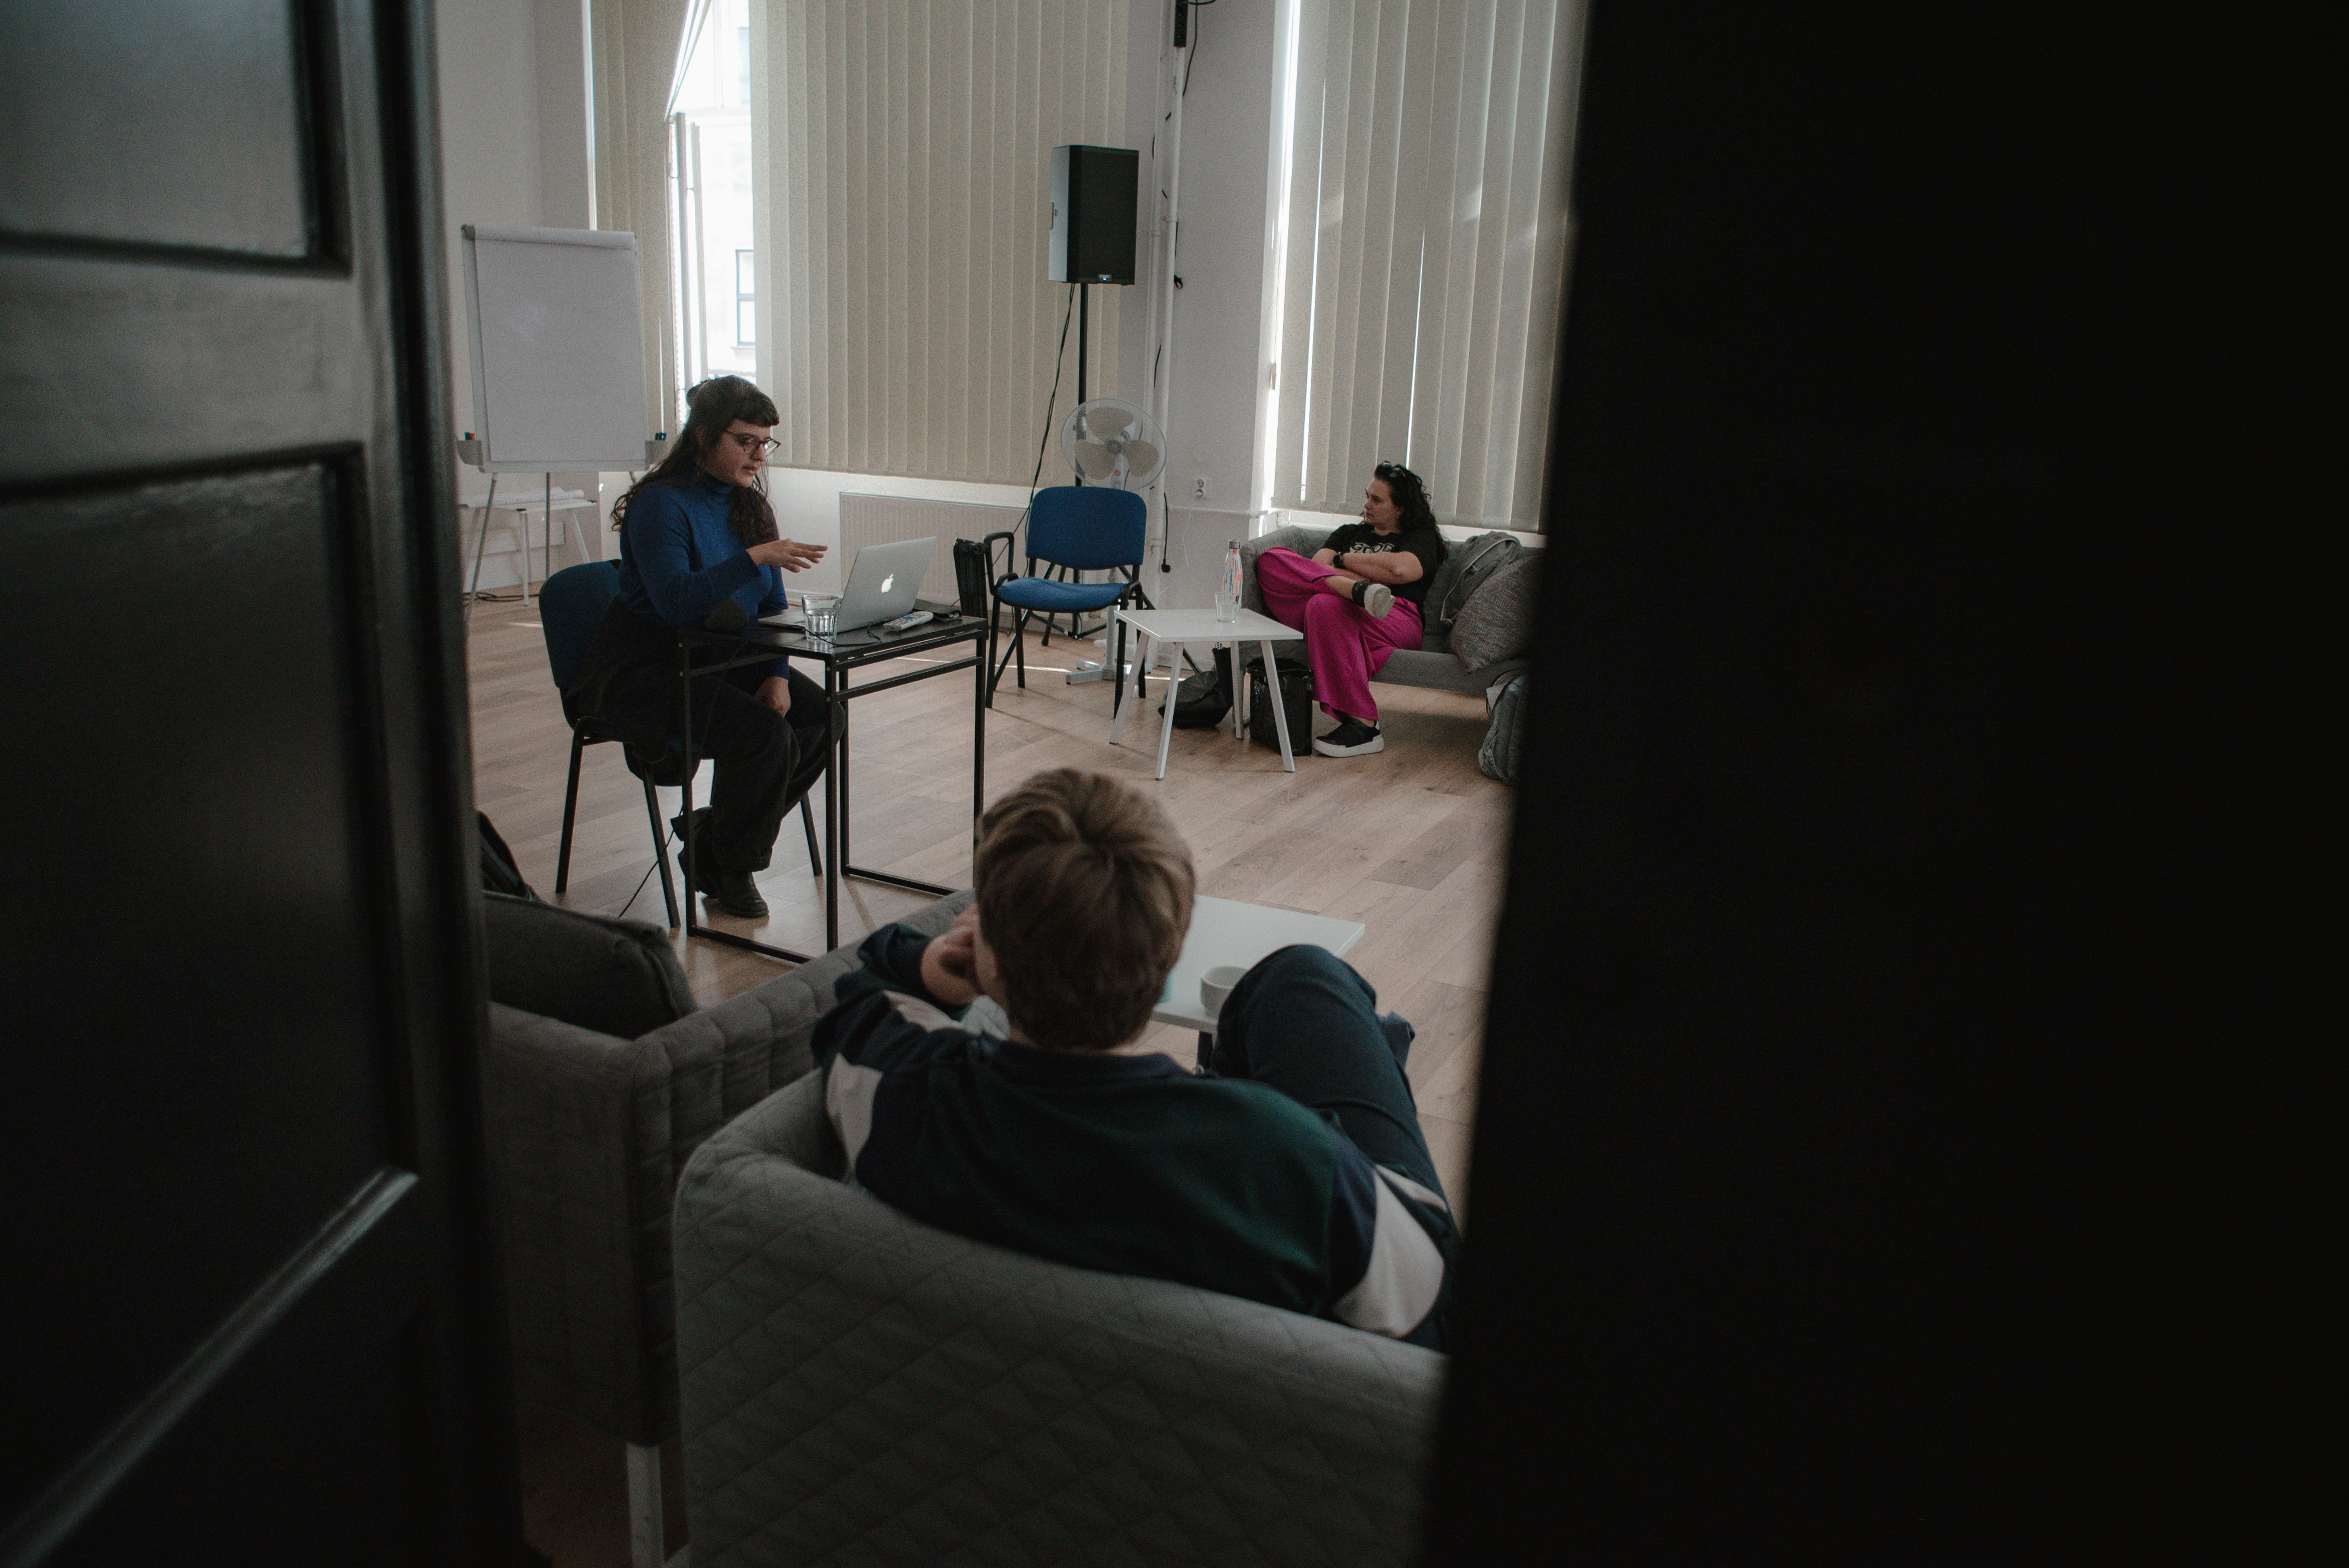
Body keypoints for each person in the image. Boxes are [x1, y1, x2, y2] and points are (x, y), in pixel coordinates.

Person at [812, 768, 1458, 1349]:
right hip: (1309, 1208)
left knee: (1297, 980)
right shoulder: (1281, 1154)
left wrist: (928, 963)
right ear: (1170, 957)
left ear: (993, 965)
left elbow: (862, 996)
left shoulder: (914, 1098)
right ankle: (1379, 1045)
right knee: (1305, 976)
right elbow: (1434, 1291)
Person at [564, 375, 829, 918]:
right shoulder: (660, 505)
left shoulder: (750, 506)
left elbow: (771, 606)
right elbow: (676, 603)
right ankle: (731, 868)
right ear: (705, 437)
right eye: (746, 442)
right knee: (763, 736)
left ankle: (713, 844)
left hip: (716, 655)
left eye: (765, 443)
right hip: (646, 669)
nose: (759, 456)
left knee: (822, 717)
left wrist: (777, 674)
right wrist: (754, 558)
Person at [1254, 461, 1449, 757]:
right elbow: (1316, 568)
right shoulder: (1348, 532)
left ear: (1400, 508)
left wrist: (1343, 560)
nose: (1367, 505)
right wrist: (1364, 582)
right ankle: (1359, 594)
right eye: (1368, 496)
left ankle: (1364, 723)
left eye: (1377, 500)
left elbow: (1400, 570)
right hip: (1339, 610)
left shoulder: (1419, 537)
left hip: (1395, 615)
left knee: (1323, 603)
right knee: (1272, 559)